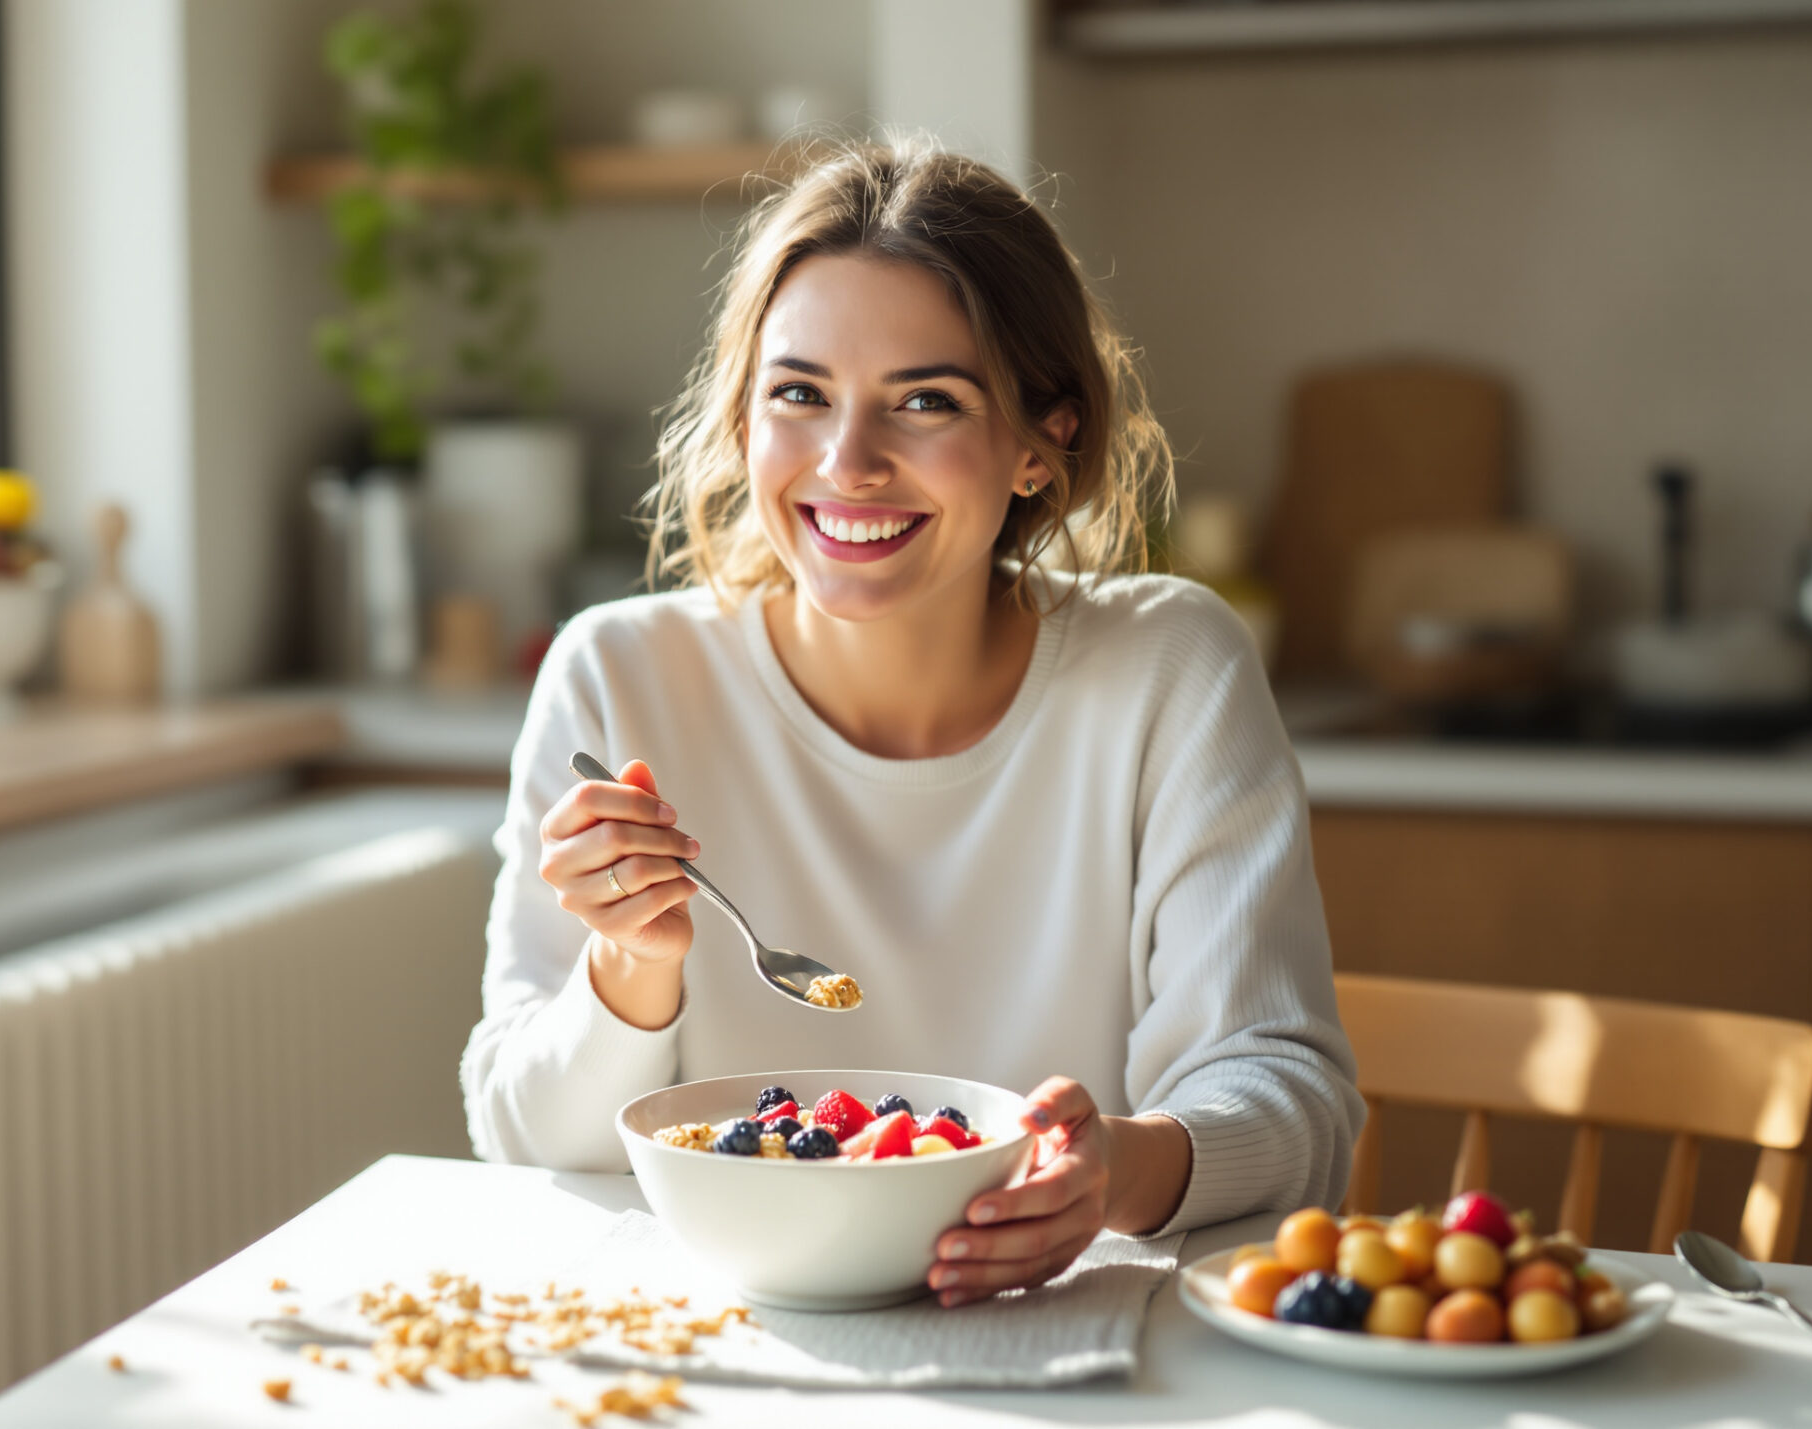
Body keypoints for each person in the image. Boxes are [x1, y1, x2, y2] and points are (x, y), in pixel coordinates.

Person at [460, 141, 1362, 1306]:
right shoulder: (621, 674)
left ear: (1045, 444)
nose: (849, 464)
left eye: (925, 401)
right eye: (799, 394)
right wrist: (632, 966)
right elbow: (520, 1137)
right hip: (726, 1359)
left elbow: (1291, 1101)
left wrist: (1115, 1172)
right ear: (741, 422)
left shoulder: (1167, 671)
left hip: (1055, 1351)